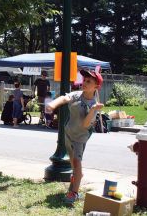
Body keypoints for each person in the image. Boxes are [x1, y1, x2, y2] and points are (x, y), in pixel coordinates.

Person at [46, 69, 104, 204]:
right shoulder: (77, 95)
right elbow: (64, 98)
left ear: (96, 86)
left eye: (89, 81)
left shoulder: (93, 105)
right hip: (68, 133)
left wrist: (94, 110)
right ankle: (78, 175)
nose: (84, 82)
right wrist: (52, 104)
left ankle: (74, 192)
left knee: (77, 163)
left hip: (80, 137)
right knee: (73, 162)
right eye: (84, 80)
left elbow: (85, 124)